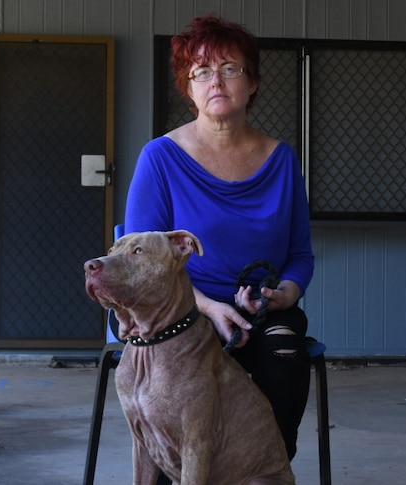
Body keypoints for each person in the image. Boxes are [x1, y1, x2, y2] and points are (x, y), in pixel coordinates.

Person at [123, 14, 315, 465]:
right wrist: (209, 307)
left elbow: (299, 254)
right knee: (180, 375)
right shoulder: (160, 158)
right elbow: (140, 265)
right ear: (187, 88)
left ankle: (266, 468)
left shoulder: (282, 159)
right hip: (179, 310)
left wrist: (284, 293)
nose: (217, 81)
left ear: (252, 83)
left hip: (262, 311)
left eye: (230, 68)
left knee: (283, 353)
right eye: (202, 71)